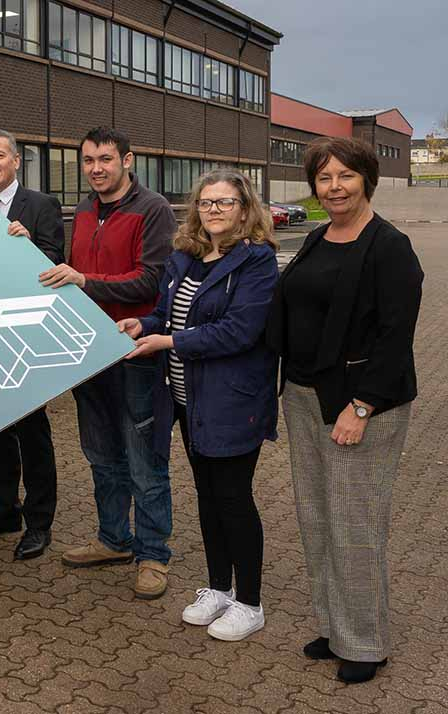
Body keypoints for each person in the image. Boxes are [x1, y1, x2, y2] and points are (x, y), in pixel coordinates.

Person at [265, 137, 423, 683]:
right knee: (316, 518)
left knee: (356, 523)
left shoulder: (389, 246)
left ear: (367, 180)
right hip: (305, 398)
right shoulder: (317, 236)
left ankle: (366, 643)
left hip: (360, 406)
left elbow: (395, 336)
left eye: (345, 176)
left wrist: (362, 405)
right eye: (324, 178)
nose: (334, 187)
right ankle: (336, 627)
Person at [118, 170, 278, 640]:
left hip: (232, 401)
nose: (214, 210)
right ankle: (218, 589)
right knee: (208, 497)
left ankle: (250, 601)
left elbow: (237, 331)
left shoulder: (257, 261)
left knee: (233, 497)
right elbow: (167, 315)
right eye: (207, 202)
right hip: (189, 401)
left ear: (245, 209)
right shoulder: (186, 257)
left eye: (225, 202)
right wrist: (142, 325)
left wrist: (165, 340)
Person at [39, 126, 175, 599]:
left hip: (134, 351)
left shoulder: (152, 210)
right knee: (101, 456)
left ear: (128, 160)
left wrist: (85, 281)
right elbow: (60, 272)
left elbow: (150, 281)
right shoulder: (81, 211)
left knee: (144, 459)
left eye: (106, 160)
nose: (97, 169)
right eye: (89, 161)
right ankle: (114, 540)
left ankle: (154, 554)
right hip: (86, 351)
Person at [0, 129, 64, 561]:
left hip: (25, 339)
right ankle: (6, 510)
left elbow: (56, 263)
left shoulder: (41, 207)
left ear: (17, 161)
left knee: (32, 433)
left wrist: (28, 248)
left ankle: (39, 524)